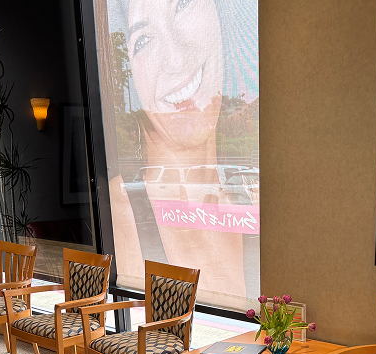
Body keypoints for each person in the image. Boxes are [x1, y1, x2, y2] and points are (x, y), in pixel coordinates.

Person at [96, 0, 259, 304]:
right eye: (142, 40)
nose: (175, 58)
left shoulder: (247, 200)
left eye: (183, 5)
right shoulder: (119, 213)